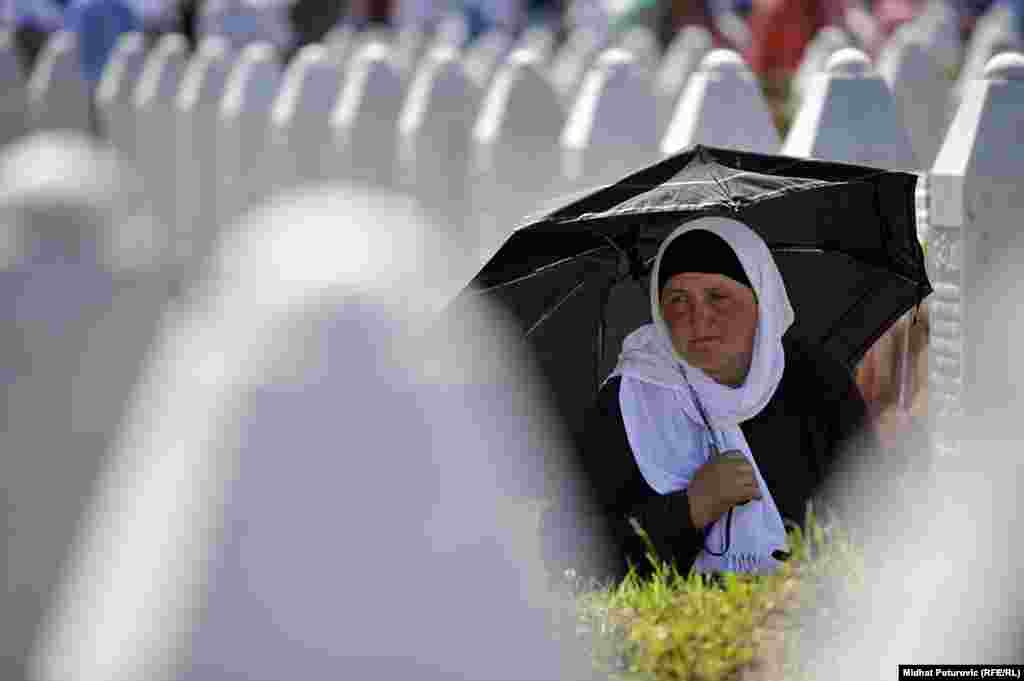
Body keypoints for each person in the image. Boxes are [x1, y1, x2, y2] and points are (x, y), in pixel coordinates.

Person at [541, 216, 895, 584]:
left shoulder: (816, 382)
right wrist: (689, 510)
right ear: (660, 314)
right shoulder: (630, 402)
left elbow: (875, 518)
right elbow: (570, 554)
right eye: (678, 300)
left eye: (718, 296)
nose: (699, 318)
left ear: (761, 300)